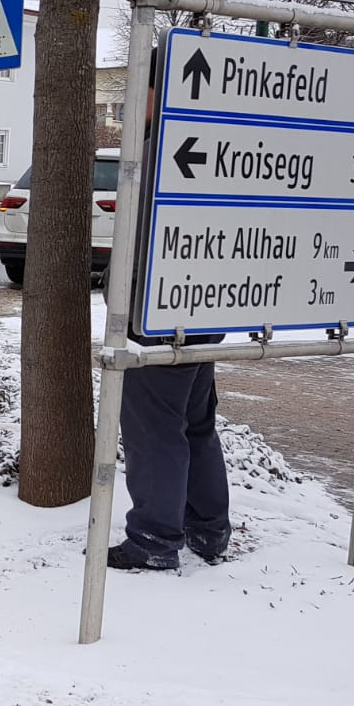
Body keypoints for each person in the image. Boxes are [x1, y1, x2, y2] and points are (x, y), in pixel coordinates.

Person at [107, 50, 229, 571]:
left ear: (160, 90)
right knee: (195, 421)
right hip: (209, 304)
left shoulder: (163, 148)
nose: (135, 102)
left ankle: (156, 538)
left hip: (166, 310)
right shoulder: (221, 139)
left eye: (141, 89)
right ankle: (208, 528)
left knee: (152, 422)